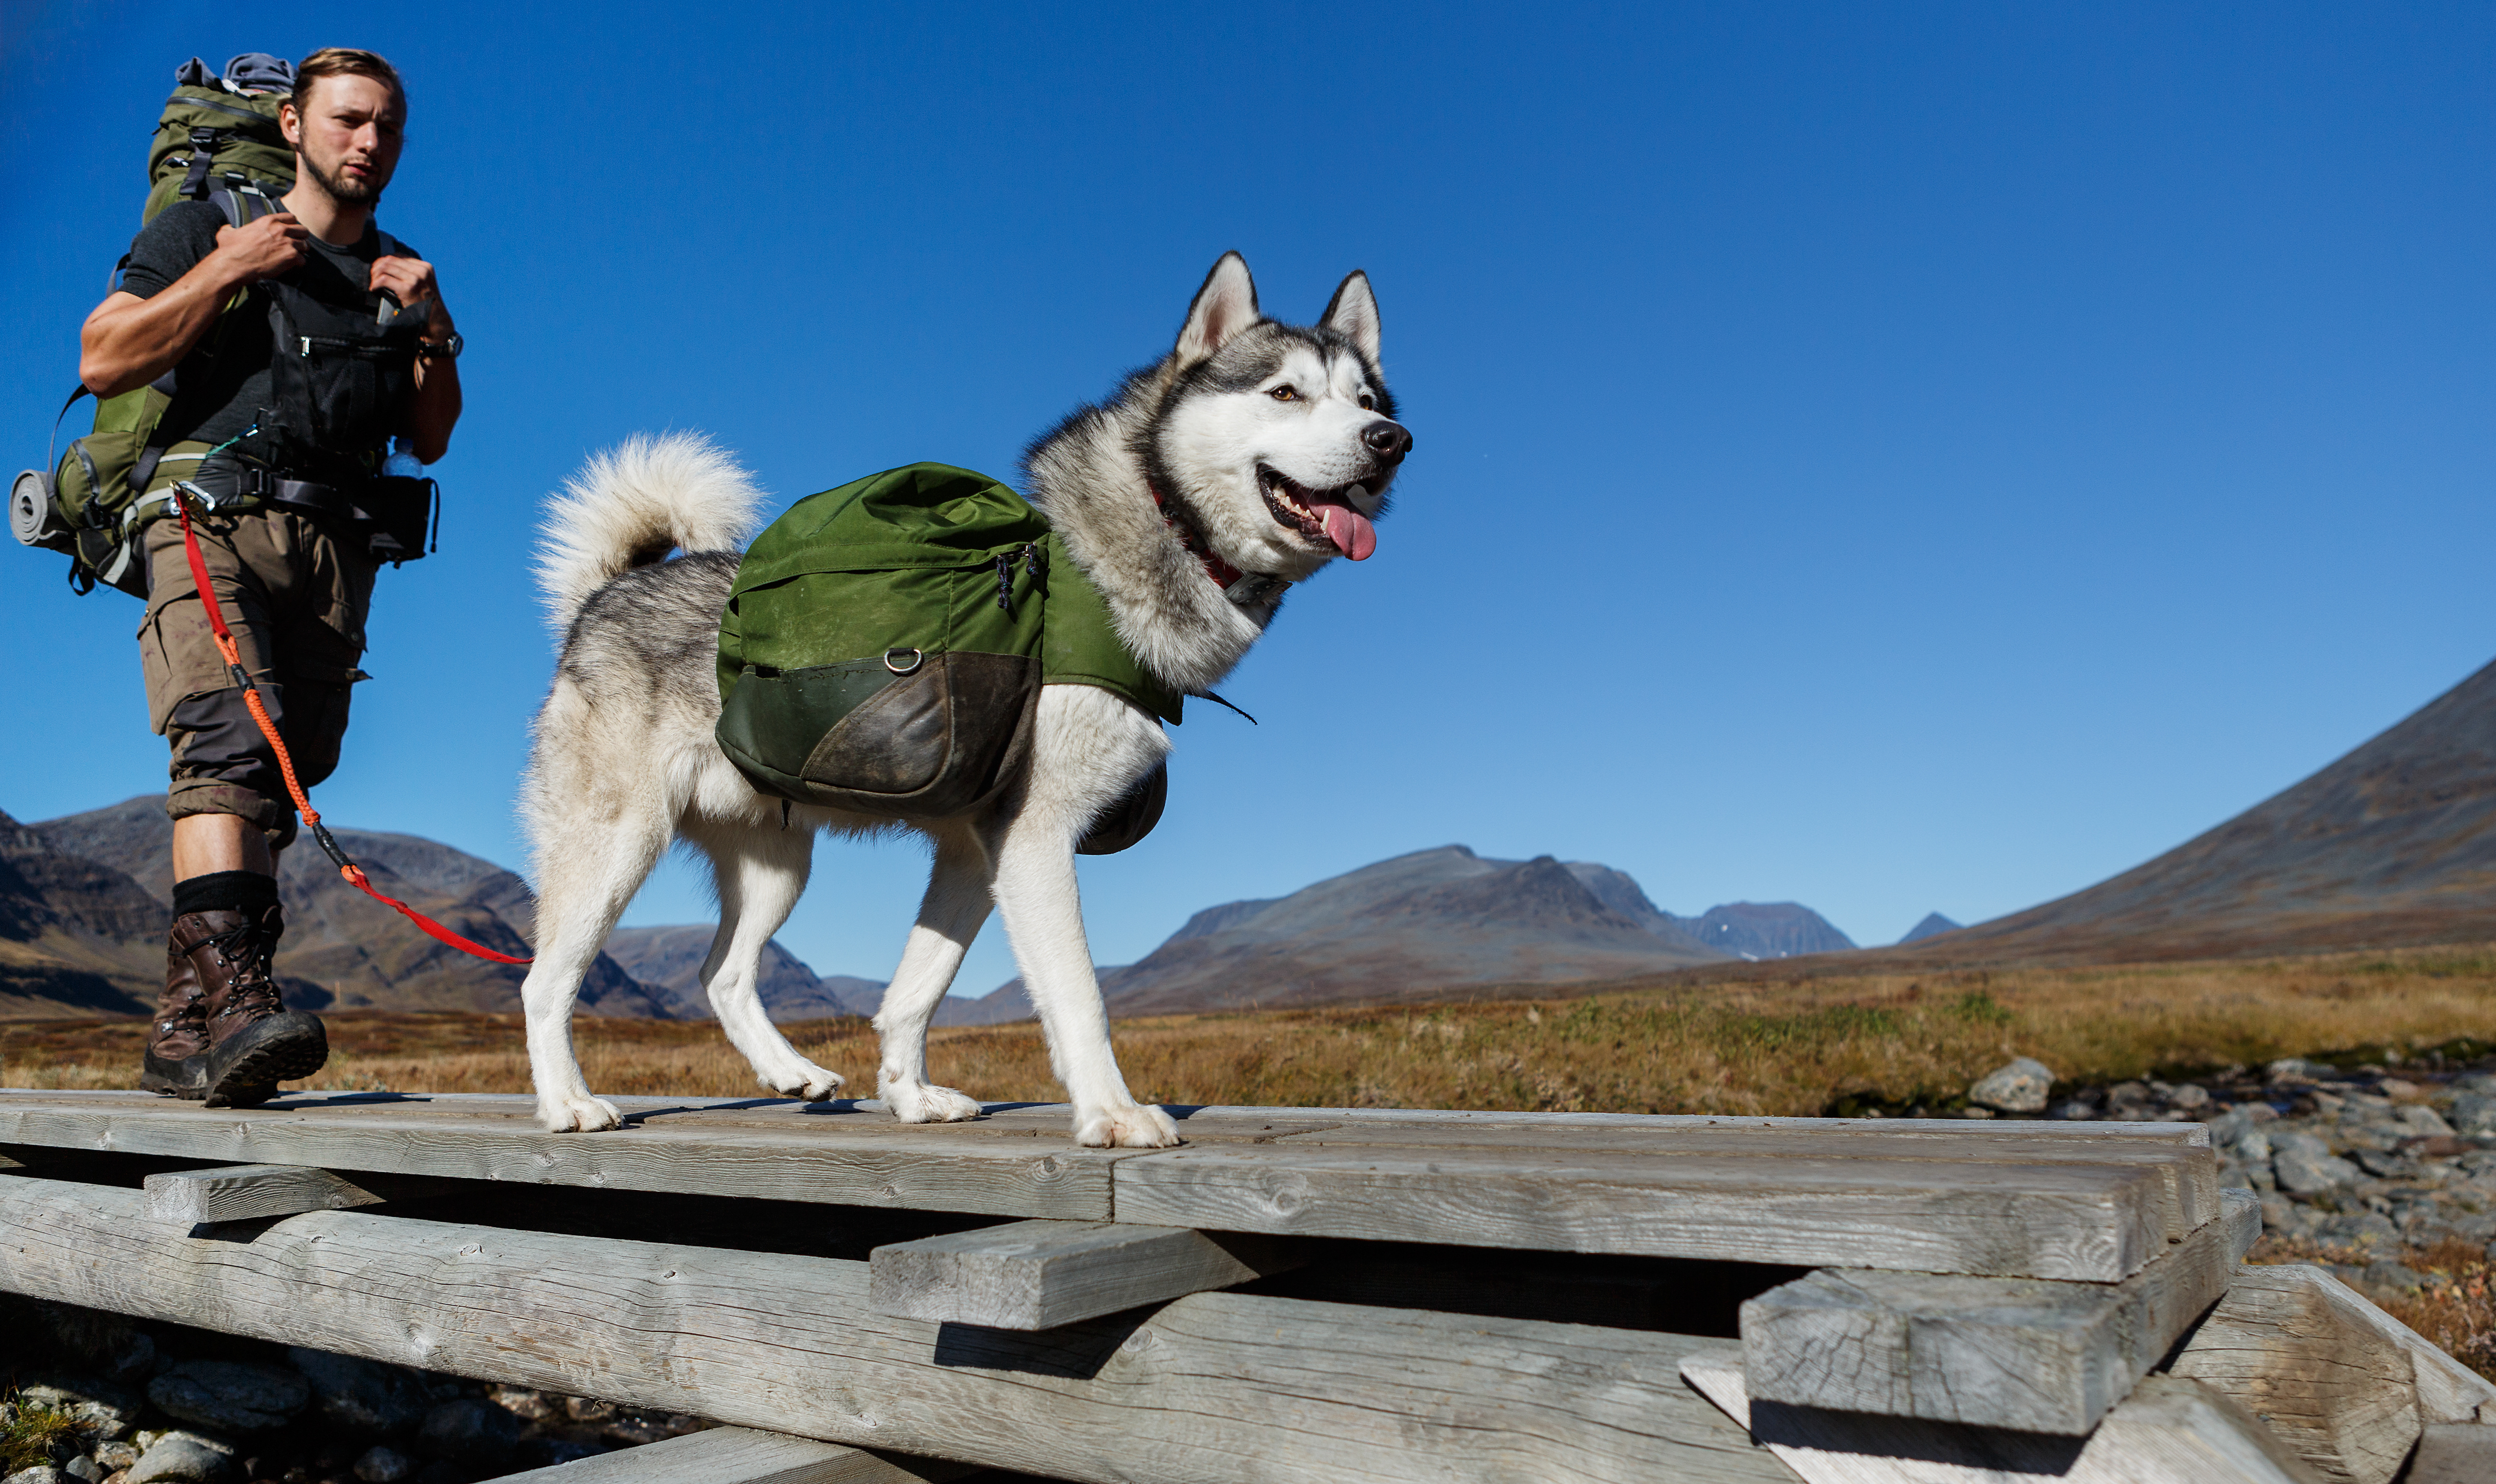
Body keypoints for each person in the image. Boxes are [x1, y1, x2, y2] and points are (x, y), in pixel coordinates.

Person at [75, 48, 463, 1106]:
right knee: (228, 743)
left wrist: (433, 328)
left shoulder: (402, 269)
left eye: (387, 125)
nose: (368, 142)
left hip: (334, 553)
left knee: (290, 777)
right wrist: (227, 268)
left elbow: (428, 437)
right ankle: (242, 996)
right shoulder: (211, 226)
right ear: (294, 125)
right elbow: (104, 359)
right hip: (205, 521)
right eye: (347, 120)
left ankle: (181, 1029)